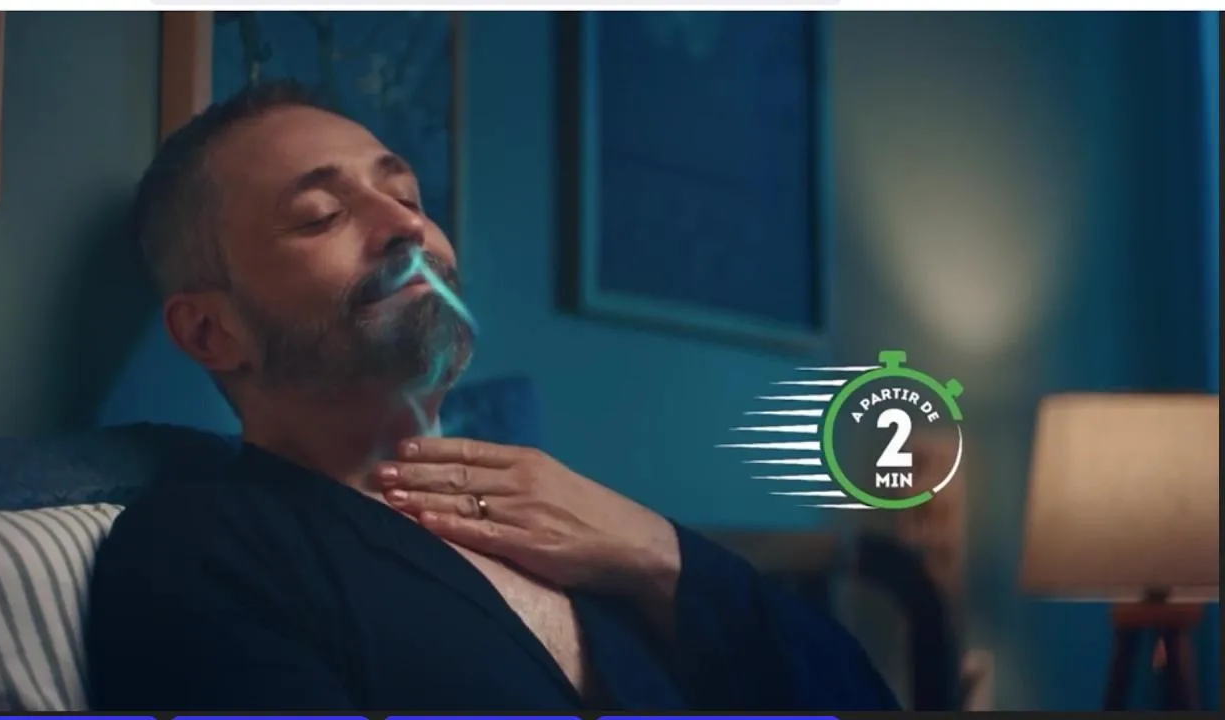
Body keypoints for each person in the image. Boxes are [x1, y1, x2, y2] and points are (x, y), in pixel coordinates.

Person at [86, 80, 899, 712]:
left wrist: (661, 555)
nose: (407, 227)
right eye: (321, 215)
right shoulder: (202, 552)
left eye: (409, 197)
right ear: (210, 332)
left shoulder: (582, 529)